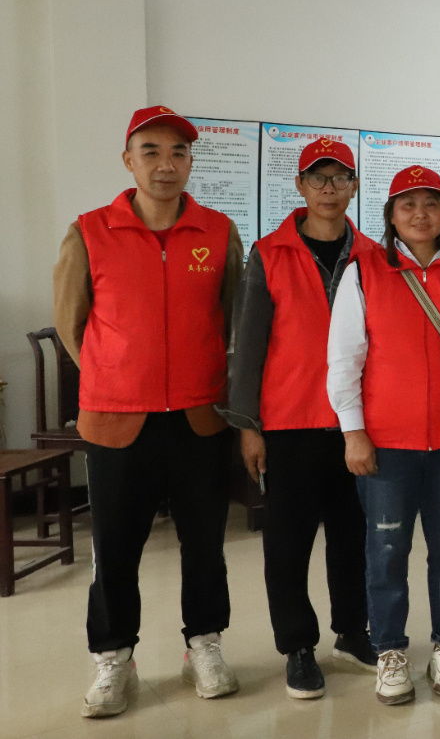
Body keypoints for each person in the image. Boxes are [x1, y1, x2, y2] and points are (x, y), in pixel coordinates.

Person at [54, 106, 243, 718]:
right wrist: (115, 373)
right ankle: (114, 657)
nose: (166, 165)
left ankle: (204, 645)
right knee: (115, 547)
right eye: (152, 151)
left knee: (204, 543)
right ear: (128, 160)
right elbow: (71, 323)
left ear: (190, 162)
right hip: (117, 419)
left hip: (199, 418)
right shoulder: (90, 231)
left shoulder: (219, 232)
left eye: (179, 152)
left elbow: (232, 318)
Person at [327, 165, 440, 705]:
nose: (420, 214)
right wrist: (353, 431)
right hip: (386, 447)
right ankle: (390, 650)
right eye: (408, 205)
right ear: (391, 215)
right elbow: (344, 359)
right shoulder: (365, 271)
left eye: (431, 204)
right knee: (385, 551)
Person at [225, 137, 380, 699]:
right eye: (318, 178)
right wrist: (248, 426)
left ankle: (352, 633)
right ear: (300, 186)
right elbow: (248, 346)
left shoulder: (374, 255)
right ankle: (297, 646)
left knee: (353, 536)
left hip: (358, 423)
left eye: (340, 178)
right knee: (288, 544)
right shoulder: (269, 254)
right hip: (289, 422)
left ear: (354, 186)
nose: (329, 189)